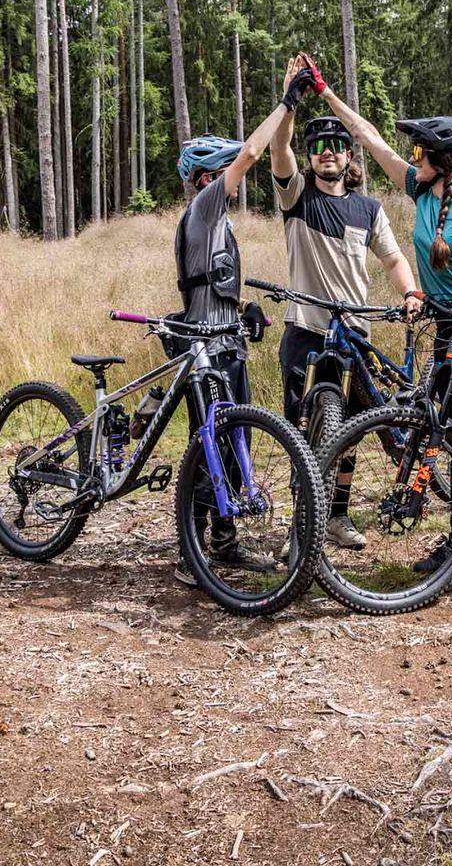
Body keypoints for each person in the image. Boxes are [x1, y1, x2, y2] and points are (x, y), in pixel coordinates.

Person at [317, 88, 452, 589]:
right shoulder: (419, 191)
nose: (412, 159)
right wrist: (327, 91)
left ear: (443, 160)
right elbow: (369, 139)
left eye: (419, 153)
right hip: (446, 330)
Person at [170, 64, 323, 587]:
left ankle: (224, 541)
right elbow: (254, 154)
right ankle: (193, 556)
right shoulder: (204, 208)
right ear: (208, 179)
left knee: (237, 444)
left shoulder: (220, 223)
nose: (232, 183)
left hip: (226, 343)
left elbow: (213, 280)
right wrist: (286, 103)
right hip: (204, 350)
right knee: (204, 443)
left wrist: (242, 311)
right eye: (224, 174)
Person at [268, 55, 423, 551]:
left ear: (349, 157)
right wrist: (290, 98)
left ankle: (336, 517)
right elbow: (278, 147)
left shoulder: (369, 208)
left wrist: (410, 291)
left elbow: (394, 258)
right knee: (302, 434)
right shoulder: (295, 197)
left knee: (351, 433)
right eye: (320, 148)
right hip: (305, 331)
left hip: (357, 335)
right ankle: (300, 530)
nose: (328, 153)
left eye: (337, 146)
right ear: (311, 155)